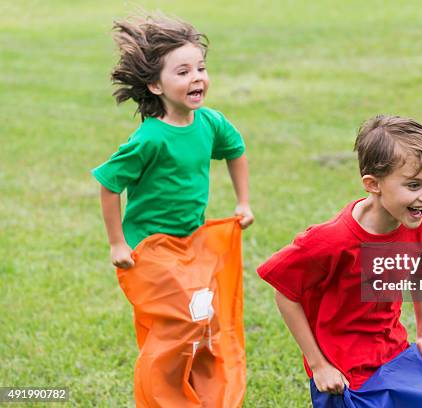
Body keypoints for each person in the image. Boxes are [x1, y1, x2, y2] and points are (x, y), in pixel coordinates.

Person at [92, 14, 253, 407]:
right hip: (149, 248)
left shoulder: (210, 123)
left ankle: (195, 391)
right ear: (155, 84)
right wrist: (117, 243)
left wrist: (243, 201)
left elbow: (236, 150)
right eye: (182, 71)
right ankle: (159, 396)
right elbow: (109, 184)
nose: (196, 77)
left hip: (191, 242)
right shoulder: (150, 138)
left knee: (203, 318)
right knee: (181, 319)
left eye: (200, 67)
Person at [257, 115, 422, 407]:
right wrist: (319, 365)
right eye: (414, 186)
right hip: (343, 370)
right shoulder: (331, 241)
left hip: (392, 352)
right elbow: (285, 293)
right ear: (373, 184)